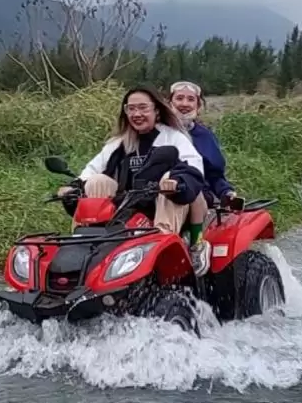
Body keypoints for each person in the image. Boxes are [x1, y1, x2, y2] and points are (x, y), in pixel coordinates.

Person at [58, 85, 209, 269]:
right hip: (126, 208)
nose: (137, 114)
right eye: (131, 109)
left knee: (168, 181)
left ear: (156, 110)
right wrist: (73, 188)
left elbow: (193, 166)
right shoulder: (119, 143)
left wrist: (177, 182)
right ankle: (84, 241)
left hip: (164, 206)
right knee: (97, 181)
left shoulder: (174, 138)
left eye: (143, 108)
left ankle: (162, 245)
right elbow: (92, 169)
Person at [167, 81, 239, 271]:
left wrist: (226, 192)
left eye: (191, 100)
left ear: (198, 107)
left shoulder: (205, 137)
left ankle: (196, 245)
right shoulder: (157, 132)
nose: (185, 104)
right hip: (156, 191)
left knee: (189, 189)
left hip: (196, 194)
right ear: (169, 104)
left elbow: (215, 175)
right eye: (179, 98)